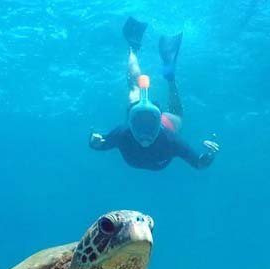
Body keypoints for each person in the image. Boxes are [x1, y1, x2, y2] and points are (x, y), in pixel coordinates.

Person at [89, 17, 219, 171]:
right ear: (131, 122)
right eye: (140, 125)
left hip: (163, 124)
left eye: (149, 125)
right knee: (174, 113)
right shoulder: (126, 134)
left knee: (134, 90)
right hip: (156, 125)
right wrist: (208, 156)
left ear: (158, 123)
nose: (145, 135)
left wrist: (94, 142)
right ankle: (168, 76)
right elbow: (199, 163)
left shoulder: (169, 139)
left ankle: (133, 49)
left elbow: (101, 145)